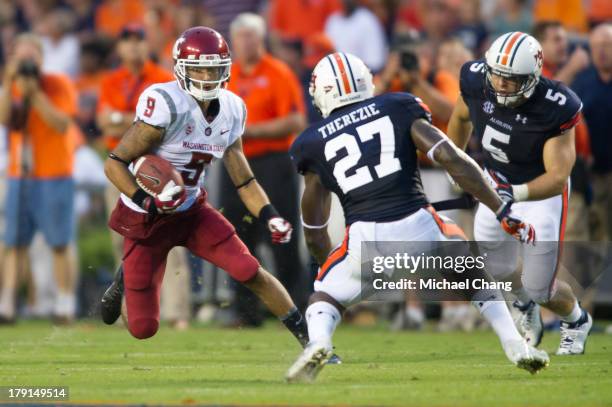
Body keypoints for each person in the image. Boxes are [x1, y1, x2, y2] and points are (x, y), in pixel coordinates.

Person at [285, 51, 548, 382]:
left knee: (324, 295)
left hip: (365, 237)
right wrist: (499, 208)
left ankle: (320, 341)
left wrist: (338, 269)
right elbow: (451, 158)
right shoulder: (397, 105)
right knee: (470, 269)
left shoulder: (312, 141)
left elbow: (313, 229)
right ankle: (515, 345)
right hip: (418, 226)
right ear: (366, 82)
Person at [99, 27, 306, 347]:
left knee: (248, 269)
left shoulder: (233, 108)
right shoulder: (166, 103)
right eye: (199, 67)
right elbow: (115, 163)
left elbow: (245, 179)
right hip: (148, 216)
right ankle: (123, 280)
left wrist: (270, 215)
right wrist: (148, 200)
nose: (208, 75)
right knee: (143, 328)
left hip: (192, 211)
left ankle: (311, 340)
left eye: (214, 67)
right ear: (182, 68)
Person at [447, 32, 593, 355]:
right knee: (496, 268)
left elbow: (557, 177)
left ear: (532, 78)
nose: (500, 84)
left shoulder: (556, 105)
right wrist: (455, 160)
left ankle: (576, 319)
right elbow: (459, 117)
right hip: (496, 184)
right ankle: (524, 306)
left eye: (510, 79)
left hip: (539, 194)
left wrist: (512, 192)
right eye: (497, 74)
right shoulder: (475, 80)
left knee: (541, 287)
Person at [97, 25, 192, 328]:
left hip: (157, 170)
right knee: (123, 242)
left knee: (170, 241)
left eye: (139, 41)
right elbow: (104, 123)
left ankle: (178, 313)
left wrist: (122, 119)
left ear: (146, 45)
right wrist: (137, 122)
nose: (134, 47)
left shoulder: (162, 79)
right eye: (128, 41)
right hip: (121, 169)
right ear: (120, 48)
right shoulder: (111, 80)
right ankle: (131, 310)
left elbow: (164, 126)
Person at [221, 13, 307, 325]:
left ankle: (296, 306)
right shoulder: (227, 74)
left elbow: (295, 120)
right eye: (240, 36)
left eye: (250, 36)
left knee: (281, 232)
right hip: (234, 161)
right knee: (237, 235)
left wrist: (249, 131)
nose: (245, 42)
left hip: (272, 162)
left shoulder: (278, 72)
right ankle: (245, 311)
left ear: (261, 39)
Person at [0, 33, 78, 323]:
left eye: (31, 58)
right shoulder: (13, 87)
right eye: (21, 59)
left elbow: (61, 123)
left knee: (59, 242)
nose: (26, 64)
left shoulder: (58, 84)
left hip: (55, 173)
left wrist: (35, 94)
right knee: (13, 242)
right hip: (20, 174)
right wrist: (9, 85)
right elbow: (5, 118)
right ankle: (7, 303)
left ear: (42, 60)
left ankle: (65, 302)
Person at [572, 23, 612, 242]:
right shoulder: (582, 82)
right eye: (595, 46)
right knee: (592, 237)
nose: (601, 51)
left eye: (606, 45)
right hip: (589, 172)